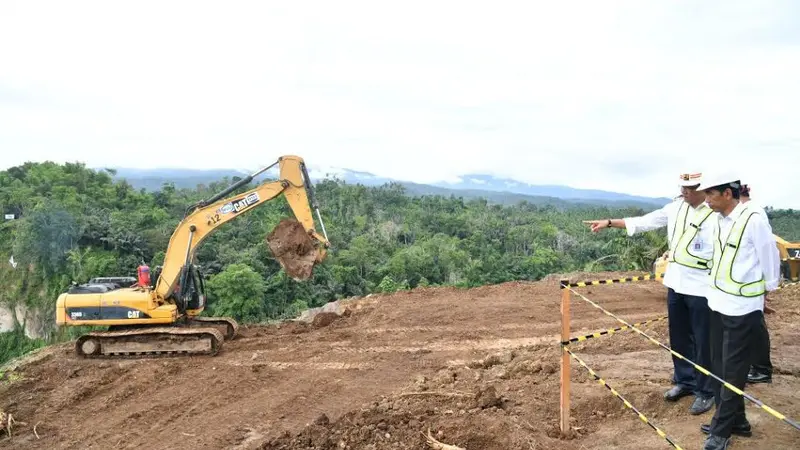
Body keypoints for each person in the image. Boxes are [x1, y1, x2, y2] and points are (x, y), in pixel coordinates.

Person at [583, 172, 715, 415]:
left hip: (702, 286)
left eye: (691, 188)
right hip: (676, 283)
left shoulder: (716, 214)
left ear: (704, 189)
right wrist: (610, 222)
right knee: (679, 337)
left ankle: (706, 391)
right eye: (683, 187)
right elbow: (646, 221)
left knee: (703, 339)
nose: (685, 191)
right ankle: (685, 381)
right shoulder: (675, 208)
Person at [695, 175, 780, 450]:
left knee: (733, 370)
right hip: (718, 303)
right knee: (718, 366)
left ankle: (721, 431)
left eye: (711, 195)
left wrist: (766, 294)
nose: (706, 200)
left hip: (743, 308)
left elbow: (769, 255)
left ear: (728, 194)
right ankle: (737, 422)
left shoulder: (753, 218)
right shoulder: (719, 220)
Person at [740, 184, 774, 385]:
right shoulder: (750, 211)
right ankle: (756, 366)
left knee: (754, 325)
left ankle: (761, 369)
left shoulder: (754, 214)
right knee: (750, 326)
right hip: (747, 283)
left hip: (753, 282)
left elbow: (766, 251)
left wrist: (766, 289)